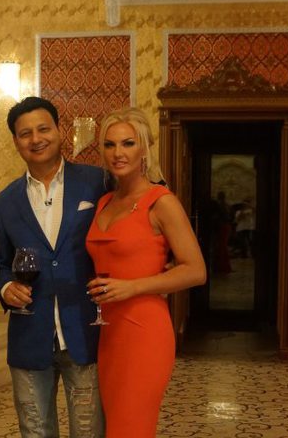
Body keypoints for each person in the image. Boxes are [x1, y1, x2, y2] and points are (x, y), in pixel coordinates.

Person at [85, 107, 206, 437]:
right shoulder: (104, 202)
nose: (118, 153)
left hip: (144, 330)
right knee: (117, 427)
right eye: (110, 145)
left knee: (130, 428)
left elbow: (196, 270)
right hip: (109, 332)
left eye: (128, 143)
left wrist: (132, 287)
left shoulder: (161, 201)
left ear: (144, 149)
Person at [0, 96, 106, 437]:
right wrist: (5, 286)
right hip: (29, 334)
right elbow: (0, 263)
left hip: (86, 330)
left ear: (59, 130)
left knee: (89, 431)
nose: (36, 138)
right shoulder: (5, 200)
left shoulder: (97, 182)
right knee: (35, 431)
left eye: (43, 129)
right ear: (16, 141)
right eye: (25, 133)